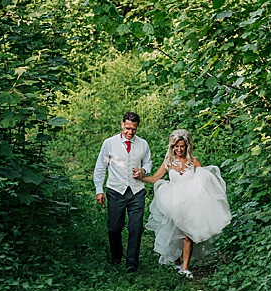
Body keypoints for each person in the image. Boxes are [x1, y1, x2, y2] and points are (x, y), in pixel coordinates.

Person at [139, 129, 231, 278]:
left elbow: (205, 180)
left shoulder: (193, 162)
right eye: (176, 146)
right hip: (172, 201)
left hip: (190, 202)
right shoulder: (168, 162)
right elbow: (155, 178)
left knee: (187, 235)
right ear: (172, 147)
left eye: (182, 146)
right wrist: (141, 178)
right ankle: (176, 262)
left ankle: (185, 267)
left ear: (187, 146)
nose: (179, 149)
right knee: (172, 232)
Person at [93, 111, 153, 271]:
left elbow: (148, 163)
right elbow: (100, 167)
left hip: (136, 192)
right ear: (122, 125)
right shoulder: (109, 143)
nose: (130, 132)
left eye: (134, 129)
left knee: (136, 227)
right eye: (127, 128)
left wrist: (143, 171)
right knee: (114, 228)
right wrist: (99, 190)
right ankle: (116, 257)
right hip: (115, 190)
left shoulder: (143, 144)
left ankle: (132, 263)